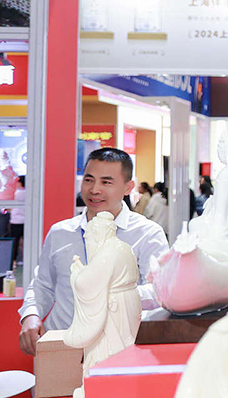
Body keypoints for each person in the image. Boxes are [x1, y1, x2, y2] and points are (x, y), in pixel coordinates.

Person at [18, 148, 169, 355]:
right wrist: (31, 315)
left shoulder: (147, 234)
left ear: (128, 187)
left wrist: (115, 295)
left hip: (120, 348)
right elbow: (43, 285)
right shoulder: (61, 232)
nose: (94, 189)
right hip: (62, 343)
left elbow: (159, 291)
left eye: (106, 182)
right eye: (89, 180)